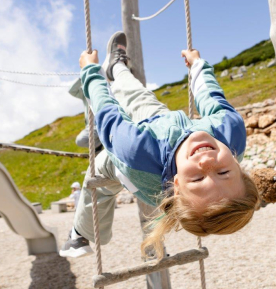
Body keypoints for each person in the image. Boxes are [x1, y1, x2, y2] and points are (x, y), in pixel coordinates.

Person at [59, 32, 260, 259]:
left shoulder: (137, 153)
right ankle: (117, 67)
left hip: (142, 168)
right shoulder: (230, 131)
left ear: (175, 184)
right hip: (167, 130)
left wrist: (90, 71)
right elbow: (211, 95)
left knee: (98, 179)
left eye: (197, 179)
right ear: (237, 163)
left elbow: (106, 111)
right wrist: (198, 65)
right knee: (138, 96)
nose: (206, 161)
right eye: (223, 172)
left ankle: (80, 233)